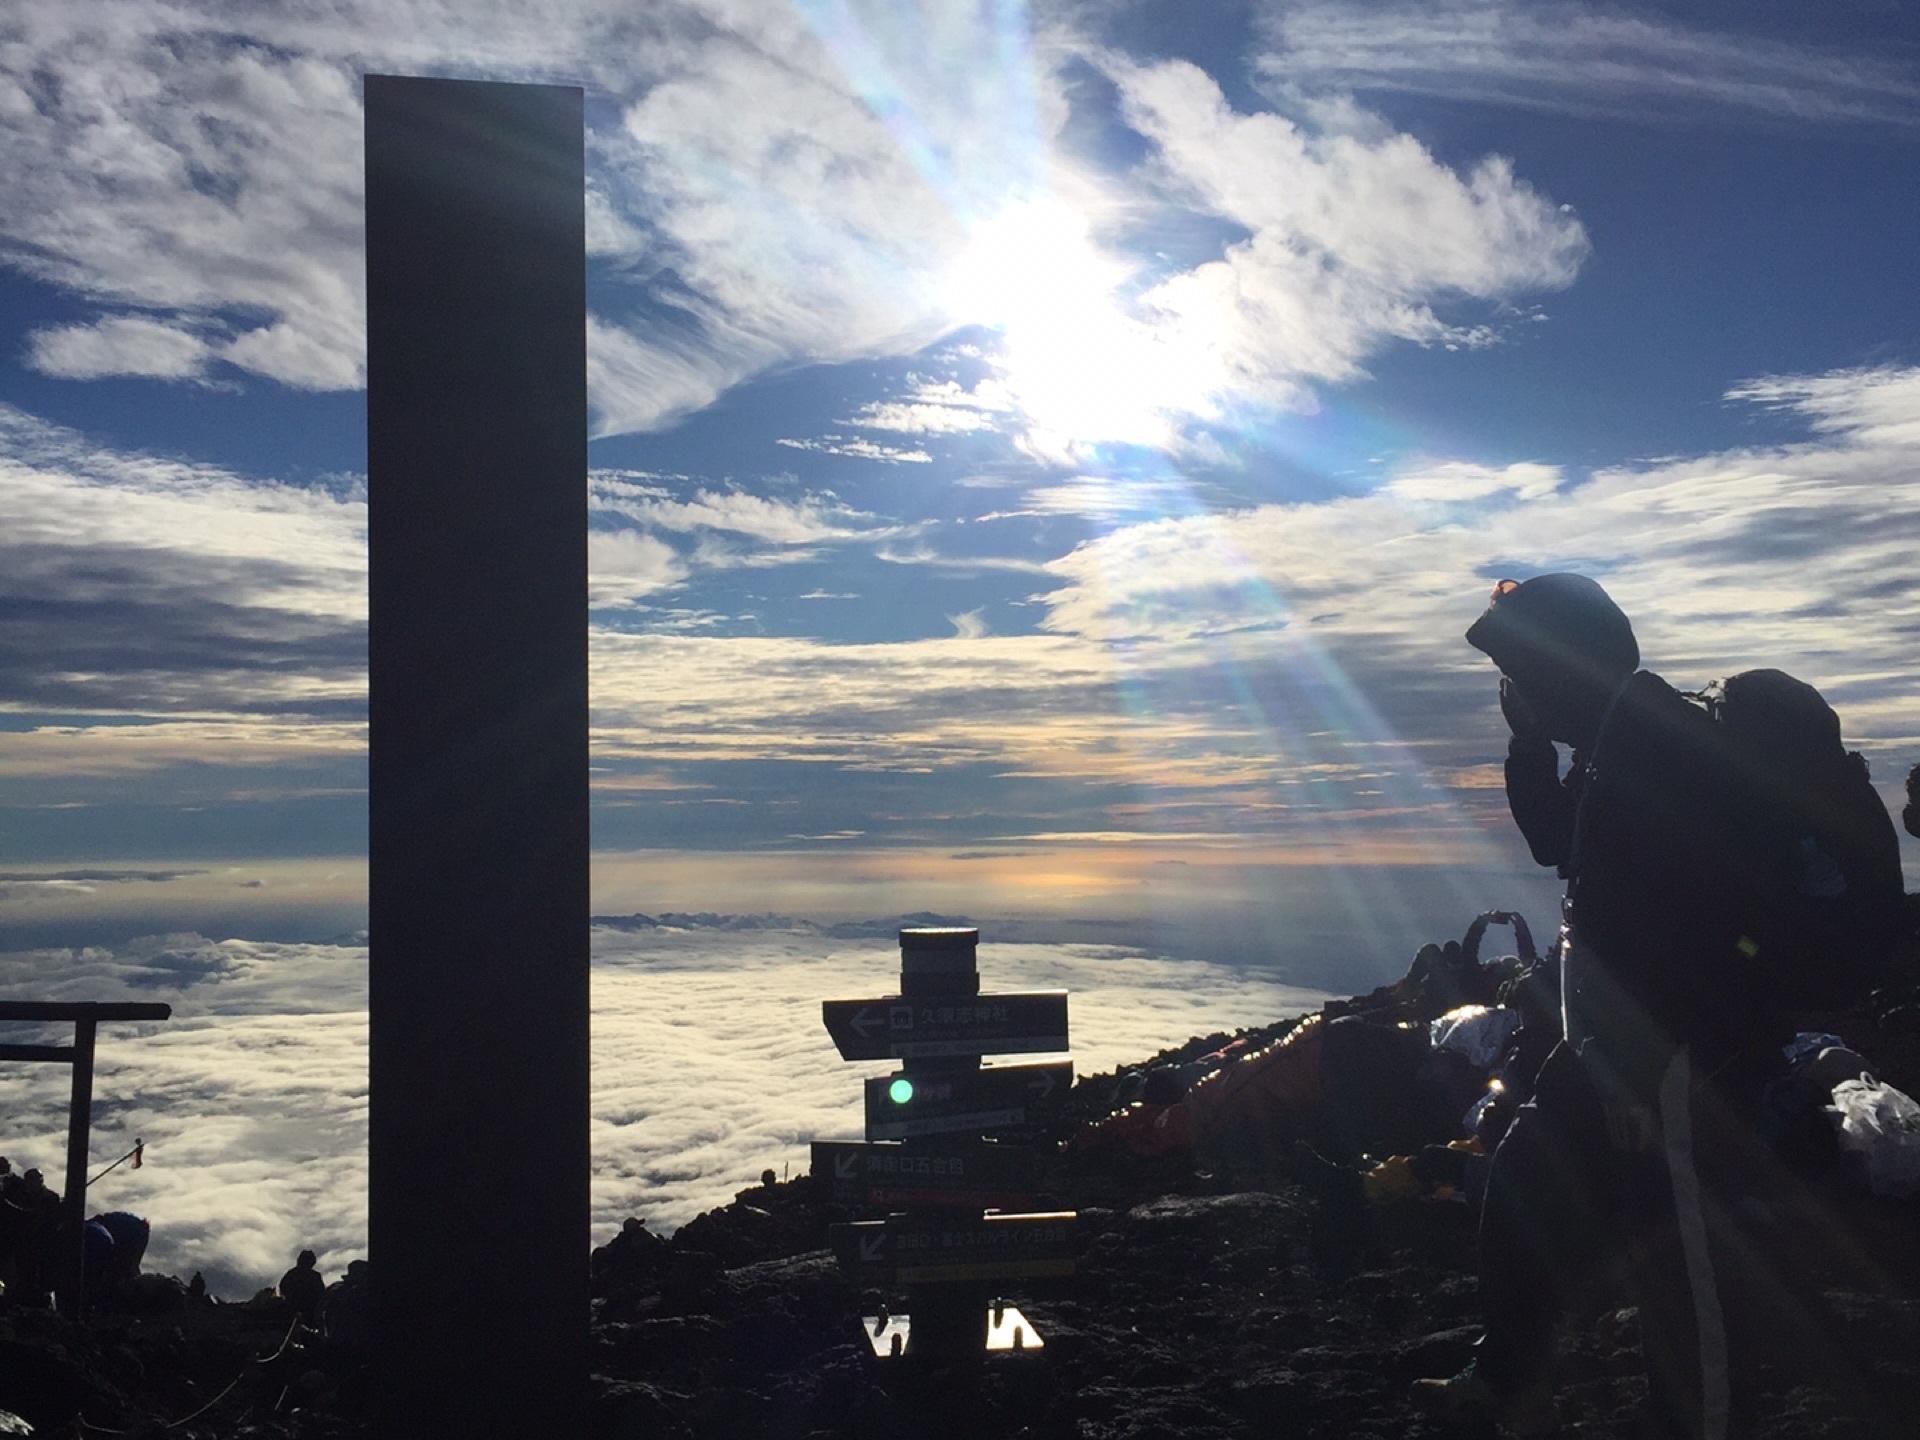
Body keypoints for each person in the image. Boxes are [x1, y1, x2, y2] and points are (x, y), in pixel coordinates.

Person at [1417, 574, 1818, 1439]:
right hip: (1616, 1040)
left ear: (1569, 668)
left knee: (1683, 1270)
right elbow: (1563, 844)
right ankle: (1508, 1378)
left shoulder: (1662, 747)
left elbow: (1717, 915)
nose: (1513, 689)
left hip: (1677, 1051)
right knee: (1526, 1178)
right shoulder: (1619, 737)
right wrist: (1531, 749)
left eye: (1522, 671)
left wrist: (1652, 1065)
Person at [279, 1248, 327, 1325]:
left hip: (312, 1310)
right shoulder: (292, 1274)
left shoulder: (315, 1276)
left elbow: (321, 1293)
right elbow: (284, 1289)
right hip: (295, 1310)